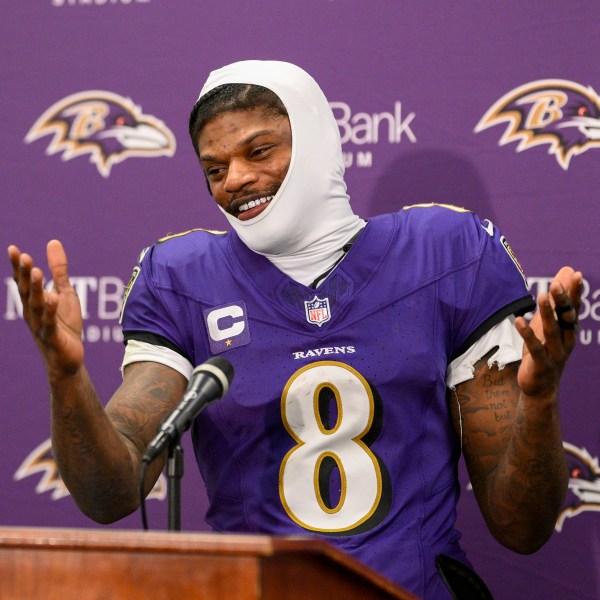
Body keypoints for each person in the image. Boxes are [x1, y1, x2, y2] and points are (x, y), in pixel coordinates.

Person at [8, 60, 582, 599]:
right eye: (214, 168)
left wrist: (537, 399)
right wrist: (67, 380)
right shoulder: (180, 277)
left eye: (259, 150)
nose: (235, 178)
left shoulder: (445, 253)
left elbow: (521, 527)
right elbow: (113, 492)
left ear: (313, 144)